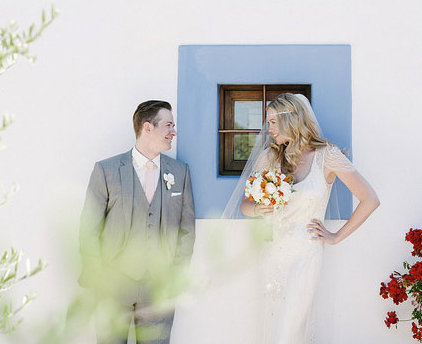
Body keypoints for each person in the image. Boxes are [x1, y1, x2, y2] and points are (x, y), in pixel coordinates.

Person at [222, 93, 380, 343]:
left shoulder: (327, 156)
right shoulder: (269, 158)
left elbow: (370, 199)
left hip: (306, 254)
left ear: (291, 120)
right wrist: (259, 209)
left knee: (288, 330)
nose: (268, 129)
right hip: (273, 253)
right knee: (274, 326)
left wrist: (336, 236)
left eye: (273, 122)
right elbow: (245, 205)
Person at [79, 100, 195, 344]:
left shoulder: (180, 172)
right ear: (148, 127)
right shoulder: (106, 170)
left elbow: (186, 231)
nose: (173, 131)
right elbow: (89, 228)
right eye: (168, 125)